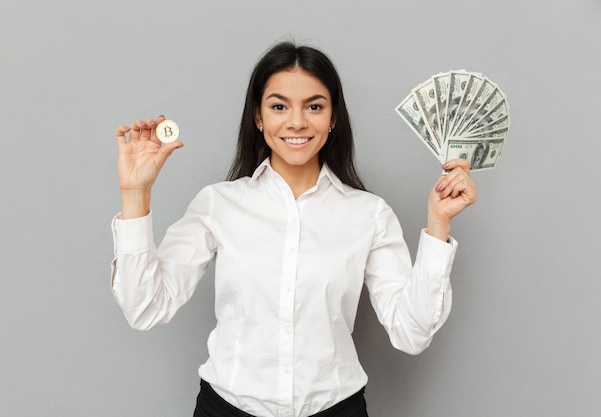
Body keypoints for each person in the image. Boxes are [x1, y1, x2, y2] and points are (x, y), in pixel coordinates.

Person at [111, 41, 477, 417]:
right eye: (279, 106)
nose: (297, 122)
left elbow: (411, 333)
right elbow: (145, 308)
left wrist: (438, 224)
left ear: (333, 117)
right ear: (258, 117)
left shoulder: (369, 215)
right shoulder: (218, 204)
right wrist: (135, 193)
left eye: (314, 106)